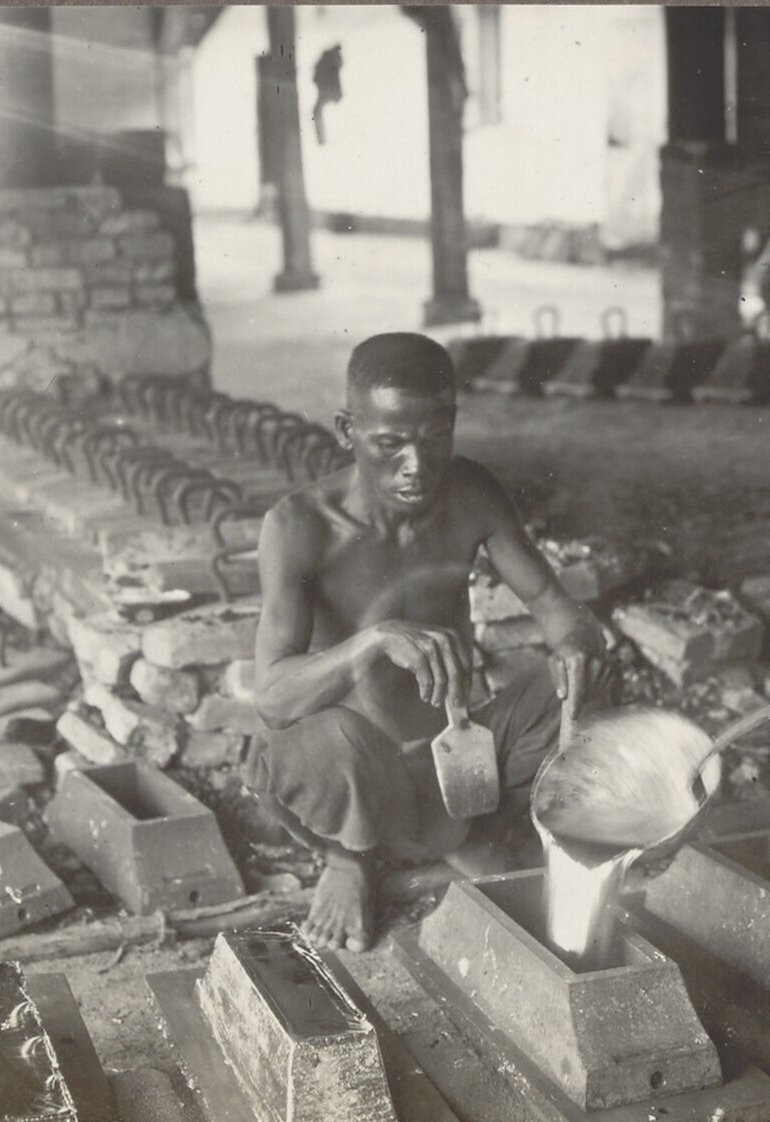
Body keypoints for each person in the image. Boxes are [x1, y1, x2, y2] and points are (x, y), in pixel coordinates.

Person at [246, 332, 609, 953]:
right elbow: (273, 701)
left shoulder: (469, 493)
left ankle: (467, 835)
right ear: (346, 430)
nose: (416, 465)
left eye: (435, 437)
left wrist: (574, 645)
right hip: (349, 769)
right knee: (335, 738)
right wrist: (373, 642)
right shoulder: (299, 525)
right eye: (390, 444)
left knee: (587, 680)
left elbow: (553, 605)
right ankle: (350, 859)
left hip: (456, 758)